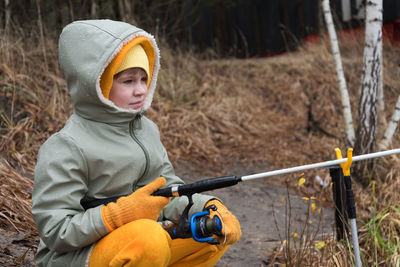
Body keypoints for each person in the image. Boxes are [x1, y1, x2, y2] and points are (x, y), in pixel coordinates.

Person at [31, 19, 241, 267]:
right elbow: (56, 231)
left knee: (211, 235)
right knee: (149, 239)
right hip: (75, 257)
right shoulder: (67, 146)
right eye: (128, 81)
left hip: (137, 241)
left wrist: (205, 206)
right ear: (95, 84)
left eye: (144, 79)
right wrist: (119, 214)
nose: (141, 90)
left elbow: (168, 193)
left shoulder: (147, 131)